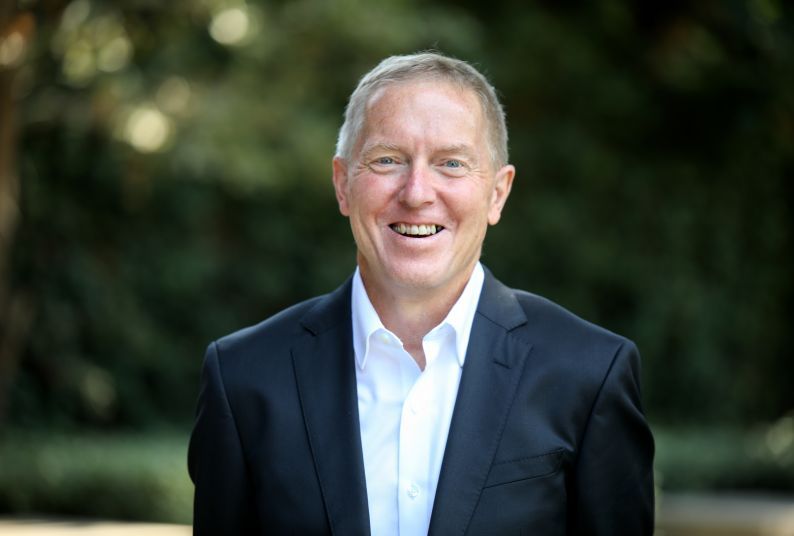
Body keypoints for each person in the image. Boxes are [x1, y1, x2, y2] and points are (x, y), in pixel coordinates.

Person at [188, 51, 655, 535]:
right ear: (342, 184)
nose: (416, 193)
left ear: (497, 193)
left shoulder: (590, 373)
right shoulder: (243, 378)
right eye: (387, 160)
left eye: (451, 163)